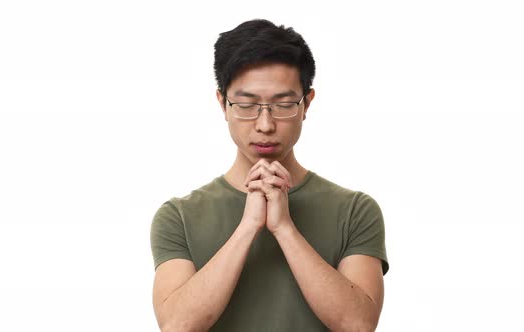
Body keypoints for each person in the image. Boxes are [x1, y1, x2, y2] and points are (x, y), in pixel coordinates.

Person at [150, 19, 389, 332]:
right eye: (247, 105)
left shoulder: (355, 210)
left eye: (283, 104)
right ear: (222, 103)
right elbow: (177, 325)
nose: (265, 124)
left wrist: (284, 228)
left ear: (307, 103)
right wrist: (248, 226)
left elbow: (358, 324)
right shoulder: (178, 216)